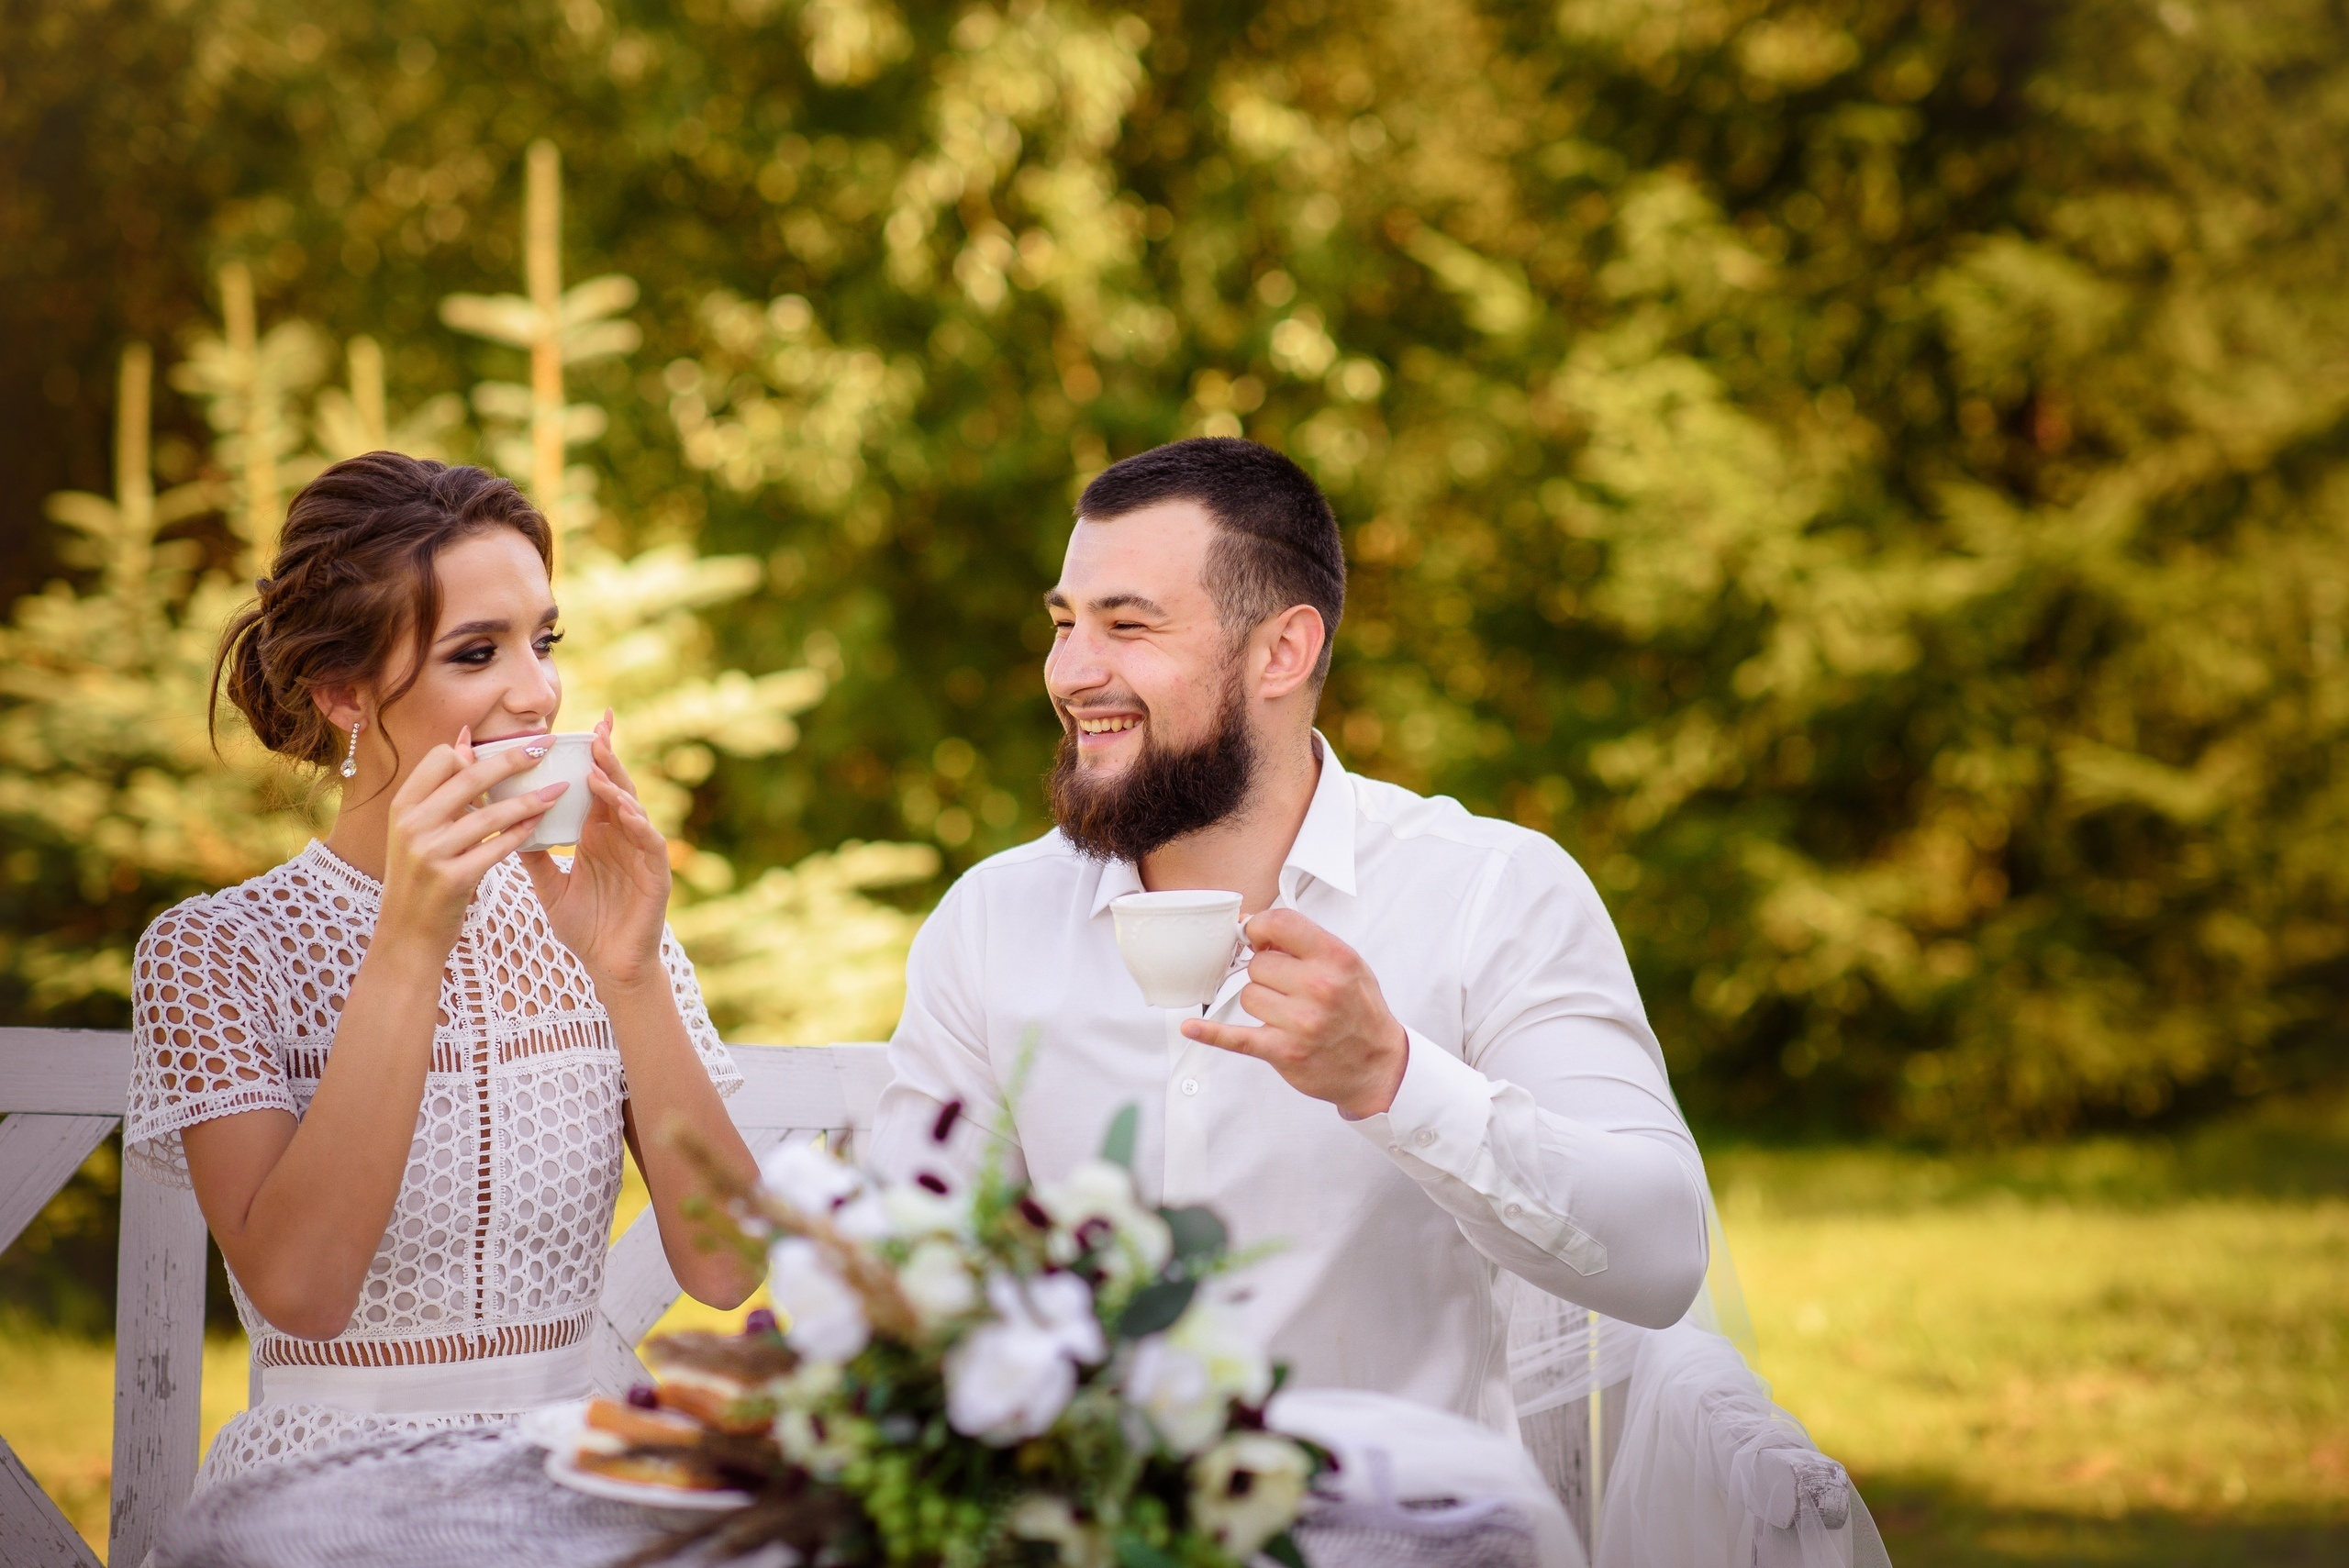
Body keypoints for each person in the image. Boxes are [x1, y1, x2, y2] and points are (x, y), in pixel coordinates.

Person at [871, 437, 1709, 1433]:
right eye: (1063, 624)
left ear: (1282, 651)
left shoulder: (1491, 891)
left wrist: (1393, 1078)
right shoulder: (990, 920)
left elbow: (1660, 1253)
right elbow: (897, 1272)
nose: (1070, 671)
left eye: (1126, 626)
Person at [124, 452, 757, 1485]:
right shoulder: (217, 952)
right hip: (327, 1494)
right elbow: (303, 1288)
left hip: (576, 1479)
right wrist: (411, 940)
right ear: (343, 693)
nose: (539, 688)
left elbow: (729, 1267)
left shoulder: (595, 914)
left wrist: (630, 973)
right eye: (478, 652)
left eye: (544, 641)